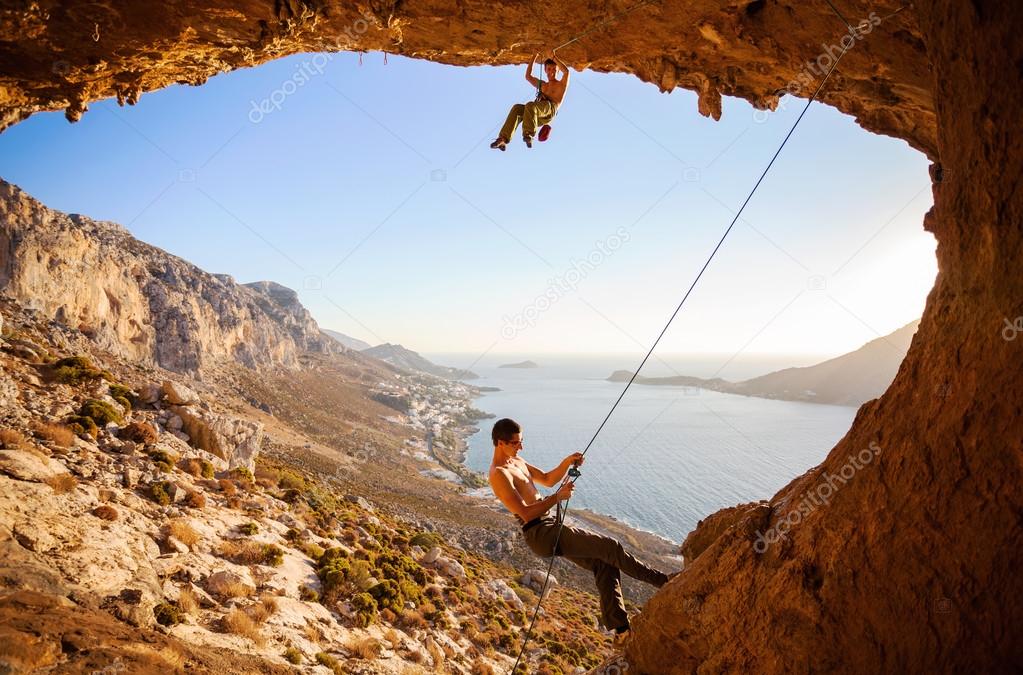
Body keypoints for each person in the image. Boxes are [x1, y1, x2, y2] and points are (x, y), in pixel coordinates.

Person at [487, 418, 677, 647]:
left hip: (547, 526)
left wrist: (567, 462)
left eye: (521, 441)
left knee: (603, 564)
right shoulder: (499, 474)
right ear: (500, 442)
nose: (521, 447)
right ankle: (663, 581)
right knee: (610, 547)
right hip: (539, 533)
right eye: (515, 443)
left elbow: (547, 479)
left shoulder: (517, 461)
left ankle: (621, 631)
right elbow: (526, 514)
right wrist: (557, 497)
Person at [490, 52, 571, 151]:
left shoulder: (561, 84)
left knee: (531, 105)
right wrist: (534, 56)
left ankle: (528, 135)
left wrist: (553, 57)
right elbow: (528, 76)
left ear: (558, 71)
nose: (552, 72)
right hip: (535, 115)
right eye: (549, 69)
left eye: (554, 69)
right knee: (517, 108)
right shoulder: (543, 85)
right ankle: (503, 139)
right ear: (545, 70)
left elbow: (566, 72)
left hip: (550, 109)